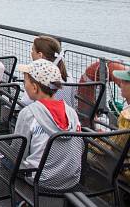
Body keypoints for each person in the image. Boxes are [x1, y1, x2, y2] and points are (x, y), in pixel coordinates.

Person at [14, 59, 81, 189]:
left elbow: (18, 151)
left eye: (25, 81)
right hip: (71, 179)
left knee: (6, 160)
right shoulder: (71, 113)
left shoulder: (28, 113)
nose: (24, 85)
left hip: (40, 180)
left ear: (34, 87)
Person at [19, 35, 75, 107]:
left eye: (33, 50)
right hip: (64, 113)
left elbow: (25, 102)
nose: (31, 53)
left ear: (40, 55)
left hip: (39, 114)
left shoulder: (38, 75)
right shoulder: (68, 75)